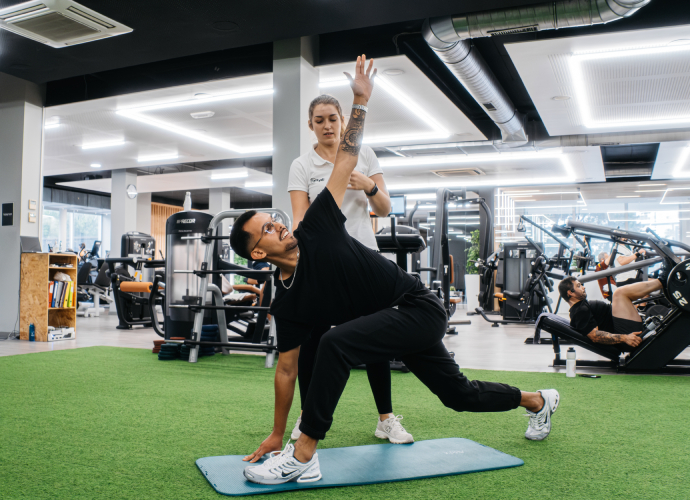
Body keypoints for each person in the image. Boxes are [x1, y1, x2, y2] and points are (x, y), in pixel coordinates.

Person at [231, 55, 559, 485]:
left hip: (416, 307)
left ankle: (305, 456)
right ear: (258, 254)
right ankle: (538, 400)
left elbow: (347, 158)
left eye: (274, 219)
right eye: (266, 231)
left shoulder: (318, 227)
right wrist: (276, 432)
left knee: (334, 342)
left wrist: (361, 101)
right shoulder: (288, 300)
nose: (278, 224)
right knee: (457, 396)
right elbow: (287, 368)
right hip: (394, 319)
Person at [286, 94, 411, 444]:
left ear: (343, 120)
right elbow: (299, 219)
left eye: (332, 119)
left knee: (376, 341)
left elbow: (384, 209)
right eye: (319, 120)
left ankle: (385, 418)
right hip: (322, 267)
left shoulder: (364, 154)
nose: (327, 126)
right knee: (313, 341)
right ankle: (306, 416)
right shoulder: (302, 165)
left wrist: (369, 185)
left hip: (364, 264)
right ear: (310, 125)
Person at [558, 276, 661, 351]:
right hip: (628, 335)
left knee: (622, 293)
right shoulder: (579, 312)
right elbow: (595, 336)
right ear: (570, 292)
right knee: (619, 293)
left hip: (624, 328)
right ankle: (662, 282)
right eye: (579, 286)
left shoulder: (581, 305)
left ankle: (662, 283)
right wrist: (625, 337)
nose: (583, 287)